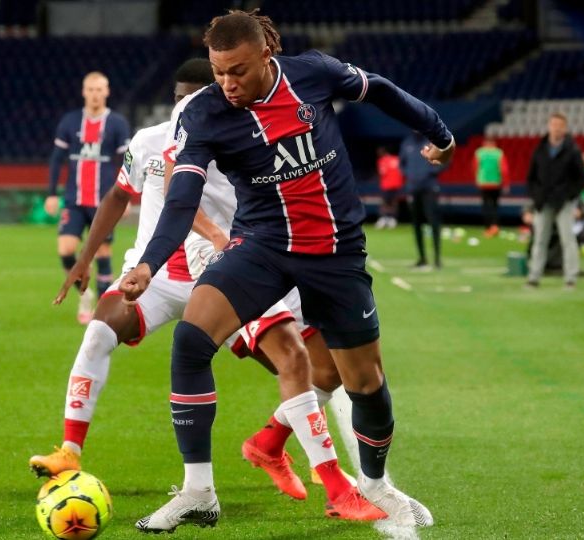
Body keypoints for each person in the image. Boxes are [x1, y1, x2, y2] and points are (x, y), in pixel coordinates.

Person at [117, 9, 454, 532]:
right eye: (219, 70)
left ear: (267, 56)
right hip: (263, 246)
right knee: (191, 340)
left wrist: (439, 132)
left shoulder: (312, 74)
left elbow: (381, 89)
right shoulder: (201, 113)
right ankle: (198, 491)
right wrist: (146, 264)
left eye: (239, 71)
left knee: (364, 381)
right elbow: (181, 197)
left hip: (336, 250)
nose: (227, 83)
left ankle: (376, 483)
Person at [31, 58, 381, 522]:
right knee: (98, 332)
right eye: (178, 99)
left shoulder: (242, 138)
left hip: (228, 268)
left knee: (316, 367)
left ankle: (271, 443)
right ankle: (71, 452)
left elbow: (197, 195)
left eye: (192, 100)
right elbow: (121, 194)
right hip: (157, 274)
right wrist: (84, 257)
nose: (183, 109)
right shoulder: (149, 141)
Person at [45, 71, 132, 323]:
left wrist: (124, 197)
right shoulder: (70, 122)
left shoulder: (116, 123)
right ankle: (84, 293)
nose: (95, 94)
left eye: (99, 89)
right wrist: (51, 193)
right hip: (74, 199)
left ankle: (102, 312)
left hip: (103, 202)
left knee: (103, 253)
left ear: (107, 92)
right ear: (84, 92)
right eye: (90, 89)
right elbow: (56, 159)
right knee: (66, 250)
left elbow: (127, 163)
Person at [525, 112, 584, 290]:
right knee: (539, 240)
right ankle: (533, 277)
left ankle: (570, 278)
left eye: (560, 125)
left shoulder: (573, 150)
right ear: (549, 126)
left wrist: (569, 196)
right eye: (554, 124)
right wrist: (536, 197)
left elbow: (581, 178)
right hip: (543, 202)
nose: (557, 128)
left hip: (564, 203)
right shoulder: (540, 149)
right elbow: (531, 178)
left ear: (565, 128)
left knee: (568, 240)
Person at [401, 131, 445, 269]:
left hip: (429, 188)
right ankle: (422, 258)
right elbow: (401, 163)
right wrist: (409, 174)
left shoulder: (432, 141)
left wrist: (432, 171)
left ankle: (437, 258)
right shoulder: (407, 143)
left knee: (433, 221)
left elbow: (446, 159)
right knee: (416, 223)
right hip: (413, 188)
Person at [474, 136, 509, 238]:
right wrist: (506, 183)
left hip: (484, 183)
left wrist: (477, 180)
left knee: (486, 206)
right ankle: (495, 226)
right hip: (495, 183)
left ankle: (488, 228)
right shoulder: (498, 153)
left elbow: (475, 167)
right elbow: (504, 169)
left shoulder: (479, 153)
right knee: (494, 206)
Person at [375, 146, 403, 229]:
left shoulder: (382, 161)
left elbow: (382, 173)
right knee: (393, 202)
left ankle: (385, 219)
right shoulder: (397, 159)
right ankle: (390, 219)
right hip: (396, 185)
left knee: (386, 203)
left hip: (386, 185)